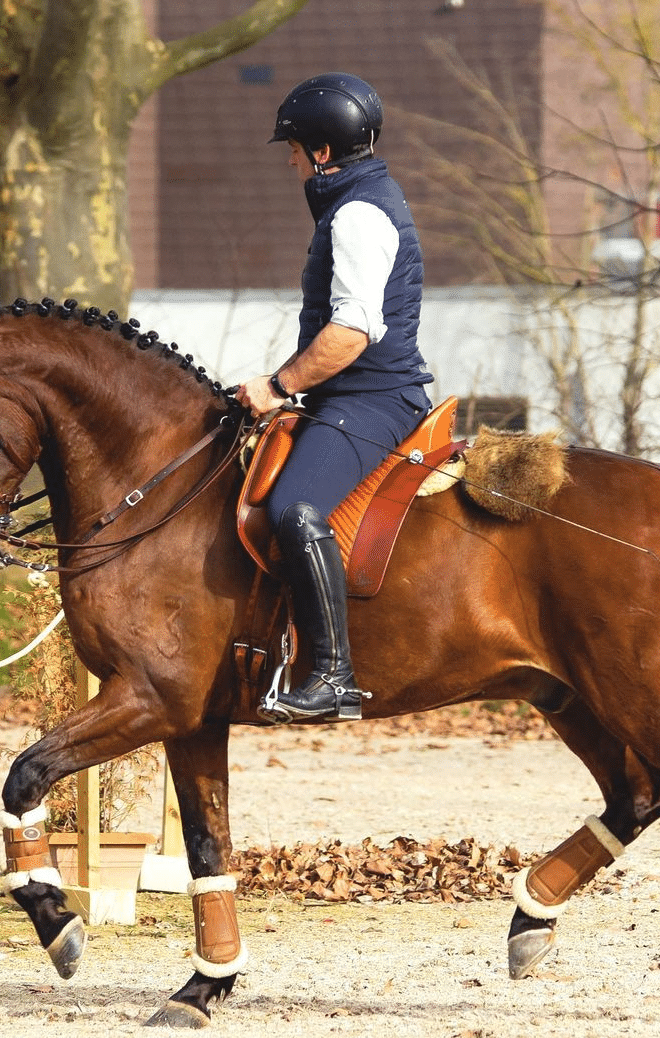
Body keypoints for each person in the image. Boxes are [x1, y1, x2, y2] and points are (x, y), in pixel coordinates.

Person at [236, 72, 434, 724]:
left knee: (294, 508)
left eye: (292, 148)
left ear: (321, 154)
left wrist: (277, 385)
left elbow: (350, 333)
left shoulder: (357, 215)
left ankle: (332, 676)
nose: (289, 160)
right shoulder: (358, 201)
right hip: (349, 395)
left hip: (372, 398)